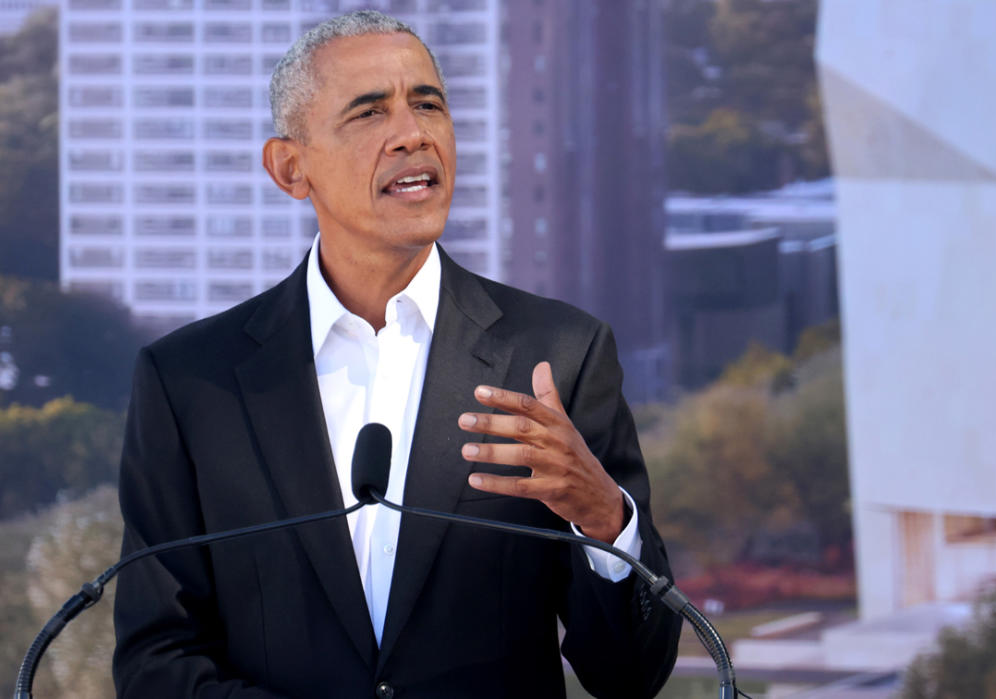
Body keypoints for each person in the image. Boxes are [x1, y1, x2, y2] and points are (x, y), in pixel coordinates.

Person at [113, 11, 681, 698]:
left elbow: (632, 674)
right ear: (290, 167)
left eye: (428, 104)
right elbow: (156, 661)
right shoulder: (190, 384)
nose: (412, 134)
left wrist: (605, 519)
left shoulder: (556, 356)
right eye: (369, 113)